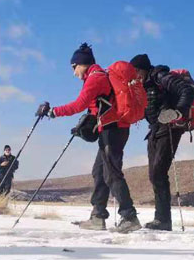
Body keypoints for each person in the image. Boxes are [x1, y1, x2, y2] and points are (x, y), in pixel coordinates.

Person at [36, 43, 141, 233]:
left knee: (111, 172)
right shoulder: (98, 77)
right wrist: (85, 126)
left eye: (74, 67)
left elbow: (78, 104)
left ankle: (129, 217)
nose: (73, 72)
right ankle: (97, 216)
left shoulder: (95, 78)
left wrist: (53, 112)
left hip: (114, 129)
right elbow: (95, 108)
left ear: (82, 64)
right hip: (111, 128)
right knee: (99, 172)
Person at [130, 53, 194, 231]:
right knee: (154, 174)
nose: (134, 76)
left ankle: (163, 220)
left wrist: (177, 112)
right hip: (155, 130)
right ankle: (161, 218)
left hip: (170, 128)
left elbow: (187, 91)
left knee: (158, 172)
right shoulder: (144, 84)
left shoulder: (161, 76)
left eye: (135, 71)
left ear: (141, 69)